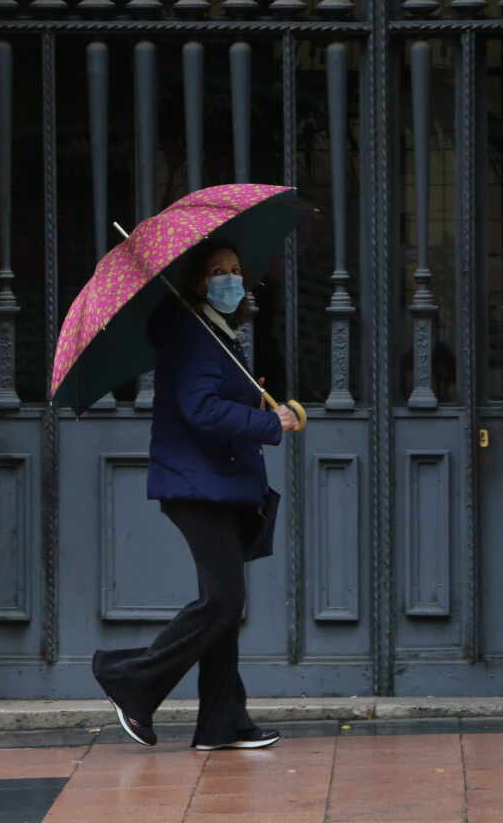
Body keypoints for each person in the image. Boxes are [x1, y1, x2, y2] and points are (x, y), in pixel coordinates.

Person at [92, 239, 300, 750]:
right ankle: (130, 679)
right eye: (215, 272)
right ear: (194, 281)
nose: (229, 279)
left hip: (221, 484)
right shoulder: (193, 333)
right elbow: (201, 410)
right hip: (196, 484)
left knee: (226, 607)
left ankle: (221, 724)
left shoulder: (218, 333)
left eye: (234, 269)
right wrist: (267, 420)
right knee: (222, 599)